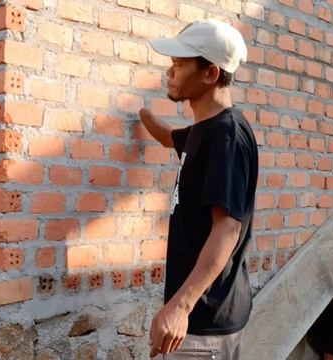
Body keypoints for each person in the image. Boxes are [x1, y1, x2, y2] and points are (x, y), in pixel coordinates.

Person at [139, 19, 258, 360]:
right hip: (202, 318)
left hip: (202, 324)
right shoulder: (202, 131)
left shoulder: (226, 136)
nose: (169, 72)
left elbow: (227, 228)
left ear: (210, 74)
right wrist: (142, 114)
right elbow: (168, 136)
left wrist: (180, 307)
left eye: (178, 65)